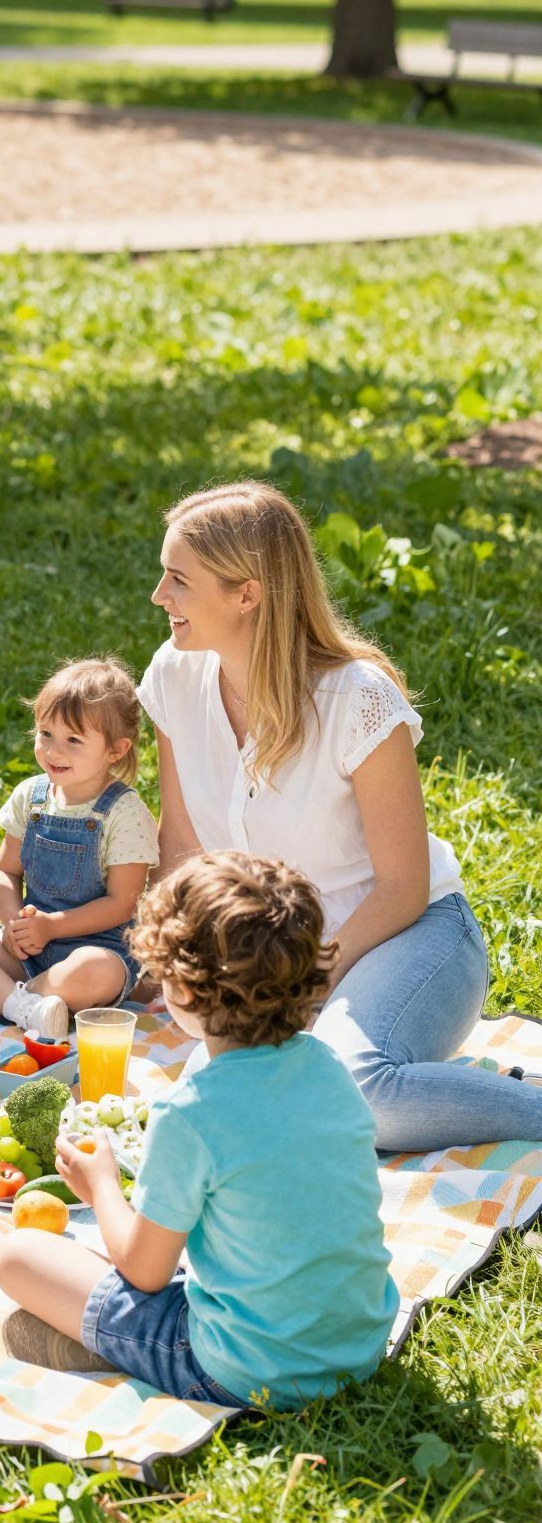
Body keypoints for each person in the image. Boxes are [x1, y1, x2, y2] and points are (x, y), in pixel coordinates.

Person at [139, 480, 542, 1153]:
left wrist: (307, 982)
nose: (159, 597)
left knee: (358, 1091)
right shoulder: (175, 677)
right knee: (217, 1105)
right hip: (277, 956)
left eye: (178, 580)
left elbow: (403, 887)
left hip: (410, 936)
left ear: (248, 594)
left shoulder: (357, 699)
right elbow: (182, 845)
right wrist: (171, 956)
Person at [0, 852, 399, 1408]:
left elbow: (144, 1272)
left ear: (181, 990)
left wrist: (102, 1185)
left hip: (246, 1371)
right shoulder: (329, 1067)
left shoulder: (191, 1112)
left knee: (17, 1258)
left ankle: (113, 1354)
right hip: (358, 1351)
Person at [0, 658, 158, 1040]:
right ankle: (22, 1006)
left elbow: (121, 904)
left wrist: (52, 927)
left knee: (95, 970)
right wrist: (14, 925)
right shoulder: (31, 797)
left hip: (94, 954)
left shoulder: (125, 812)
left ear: (116, 750)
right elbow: (5, 872)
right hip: (28, 950)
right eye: (45, 733)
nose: (53, 750)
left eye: (73, 740)